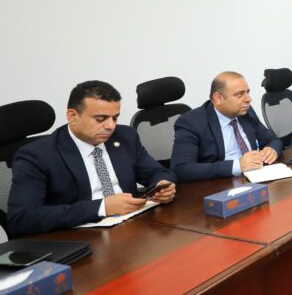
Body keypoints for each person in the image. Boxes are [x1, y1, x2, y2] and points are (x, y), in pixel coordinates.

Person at [6, 81, 175, 237]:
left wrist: (162, 185)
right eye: (100, 119)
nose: (110, 126)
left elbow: (158, 172)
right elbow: (21, 219)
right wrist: (101, 207)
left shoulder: (125, 136)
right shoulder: (36, 155)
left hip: (133, 227)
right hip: (80, 237)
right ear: (73, 116)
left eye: (115, 118)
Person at [170, 71, 283, 182]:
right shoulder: (191, 122)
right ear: (218, 98)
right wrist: (237, 165)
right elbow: (181, 168)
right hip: (220, 184)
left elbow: (273, 140)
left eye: (247, 92)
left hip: (255, 177)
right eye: (239, 94)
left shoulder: (246, 111)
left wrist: (272, 150)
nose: (248, 99)